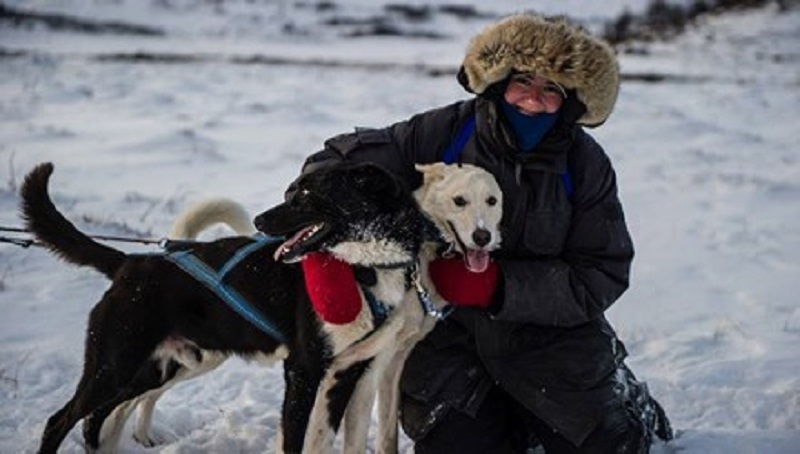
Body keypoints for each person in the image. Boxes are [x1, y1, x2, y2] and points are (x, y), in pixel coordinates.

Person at [286, 12, 673, 453]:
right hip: (441, 337)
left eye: (551, 91)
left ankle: (626, 403)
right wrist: (325, 248)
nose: (531, 101)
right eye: (523, 82)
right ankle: (514, 420)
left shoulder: (584, 166)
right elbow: (333, 165)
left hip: (548, 337)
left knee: (607, 446)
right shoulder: (442, 134)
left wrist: (496, 286)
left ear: (571, 102)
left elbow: (601, 271)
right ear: (497, 81)